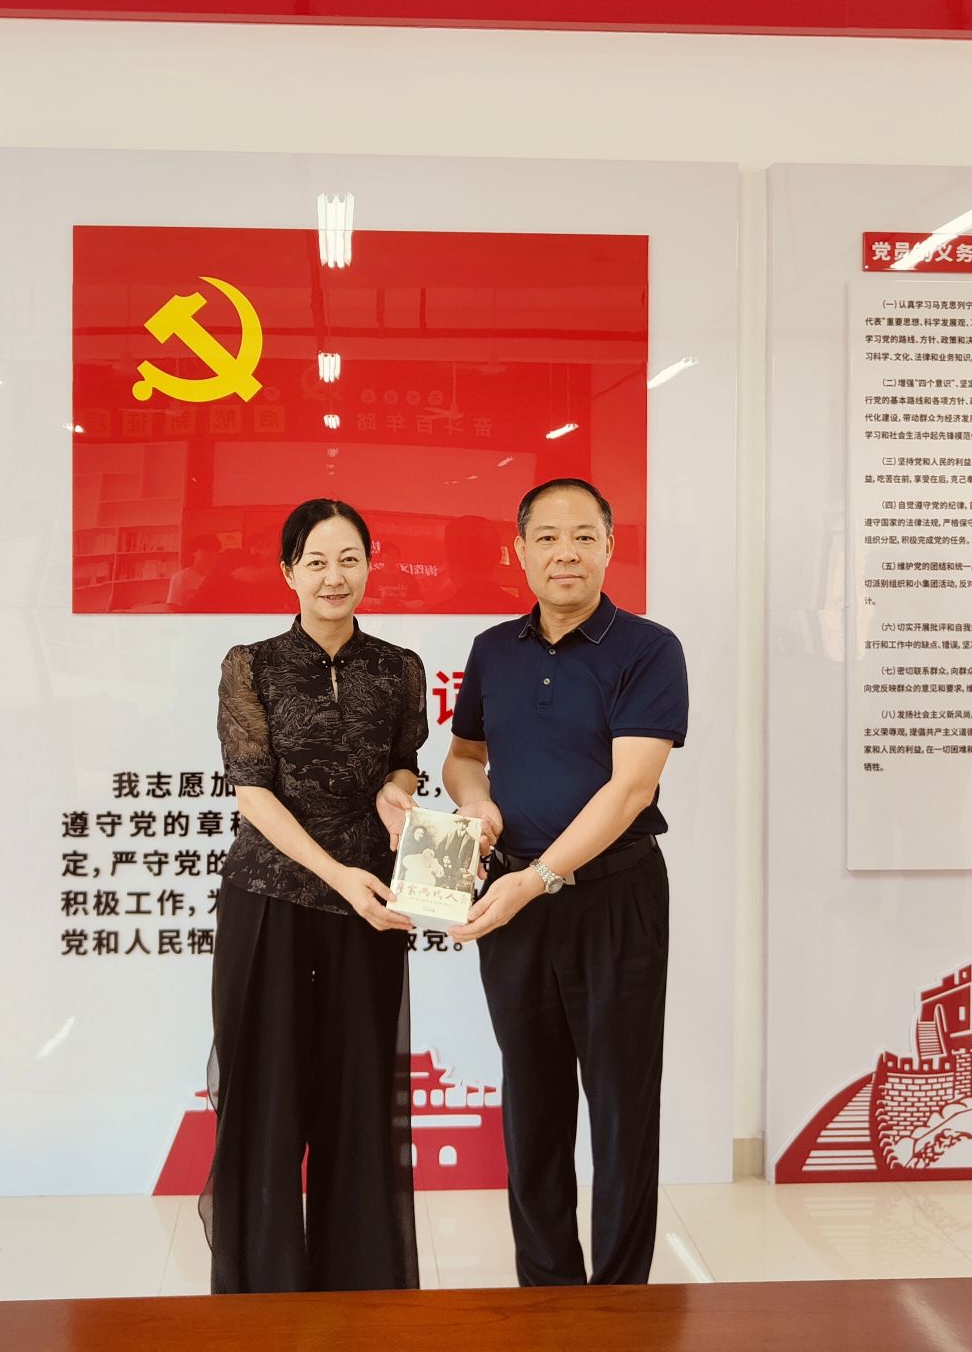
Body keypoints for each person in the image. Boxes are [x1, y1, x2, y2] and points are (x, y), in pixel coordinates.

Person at [441, 477, 688, 1286]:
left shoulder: (648, 648)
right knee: (532, 1102)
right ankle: (547, 1294)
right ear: (519, 551)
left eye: (584, 536)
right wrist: (476, 806)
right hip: (511, 897)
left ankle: (619, 1304)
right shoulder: (493, 650)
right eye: (546, 537)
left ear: (610, 546)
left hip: (614, 899)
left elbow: (632, 789)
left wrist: (543, 876)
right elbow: (464, 756)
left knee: (620, 1110)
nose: (565, 553)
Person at [203, 497, 427, 1293]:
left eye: (349, 559)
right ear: (288, 572)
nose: (335, 576)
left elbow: (403, 762)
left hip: (373, 909)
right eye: (317, 561)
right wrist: (336, 874)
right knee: (266, 1102)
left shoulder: (399, 667)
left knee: (357, 1102)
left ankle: (360, 1296)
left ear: (370, 564)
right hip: (271, 903)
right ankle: (263, 1297)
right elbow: (252, 793)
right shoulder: (251, 664)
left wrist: (397, 794)